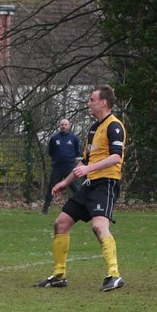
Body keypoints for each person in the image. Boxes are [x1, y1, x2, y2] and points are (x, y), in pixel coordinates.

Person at [35, 86, 127, 292]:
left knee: (99, 227)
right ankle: (59, 276)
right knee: (60, 223)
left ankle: (114, 275)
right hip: (90, 184)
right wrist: (65, 182)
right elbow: (85, 161)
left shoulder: (115, 126)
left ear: (103, 102)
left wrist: (89, 168)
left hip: (106, 183)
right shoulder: (94, 128)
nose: (88, 102)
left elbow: (116, 156)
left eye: (92, 99)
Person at [43, 118, 81, 214]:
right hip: (57, 168)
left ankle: (83, 208)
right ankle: (45, 209)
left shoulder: (74, 138)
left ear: (69, 126)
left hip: (70, 168)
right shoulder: (54, 138)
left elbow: (77, 152)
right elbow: (51, 152)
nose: (63, 126)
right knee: (52, 188)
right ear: (59, 126)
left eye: (65, 124)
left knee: (76, 189)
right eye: (62, 124)